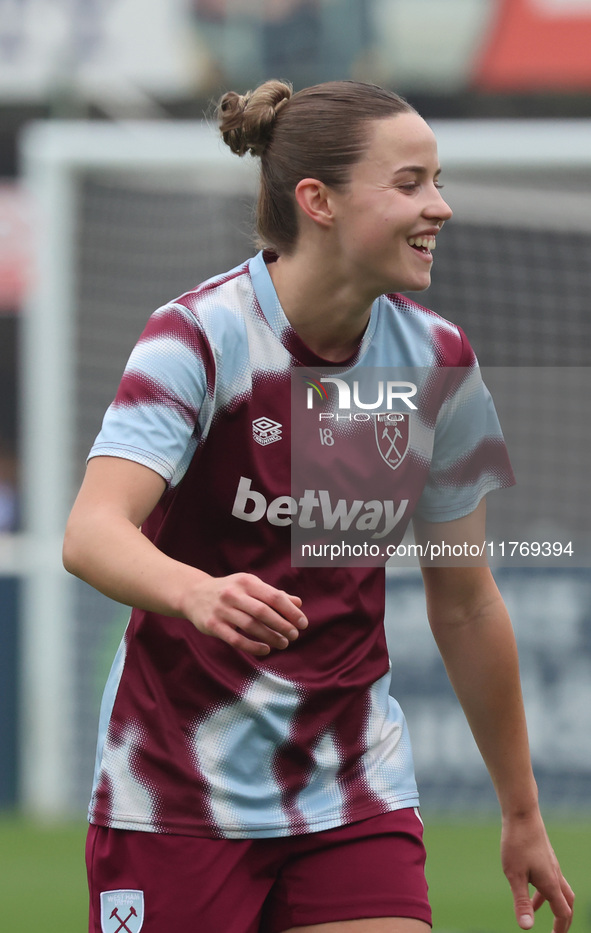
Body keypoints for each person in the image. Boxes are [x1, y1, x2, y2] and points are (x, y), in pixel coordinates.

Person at [63, 79, 574, 933]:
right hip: (176, 792)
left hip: (351, 788)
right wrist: (194, 590)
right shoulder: (196, 335)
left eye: (437, 180)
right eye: (408, 183)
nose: (439, 206)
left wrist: (521, 811)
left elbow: (466, 598)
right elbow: (91, 531)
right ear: (317, 201)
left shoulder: (437, 359)